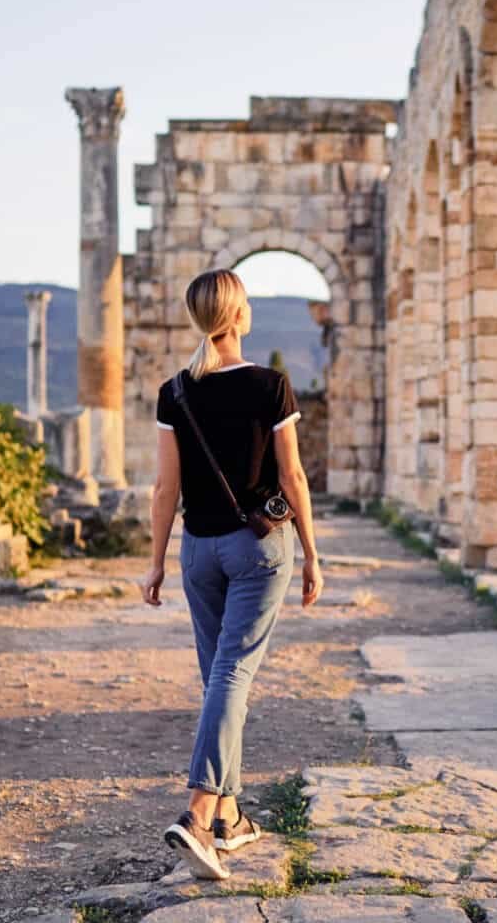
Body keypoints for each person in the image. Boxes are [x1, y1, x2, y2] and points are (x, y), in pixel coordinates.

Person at [140, 268, 324, 880]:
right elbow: (293, 478)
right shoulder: (271, 386)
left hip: (199, 550)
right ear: (239, 316)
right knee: (233, 673)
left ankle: (230, 818)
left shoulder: (175, 392)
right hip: (257, 549)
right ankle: (196, 817)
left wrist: (156, 562)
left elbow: (166, 487)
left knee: (221, 678)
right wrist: (314, 554)